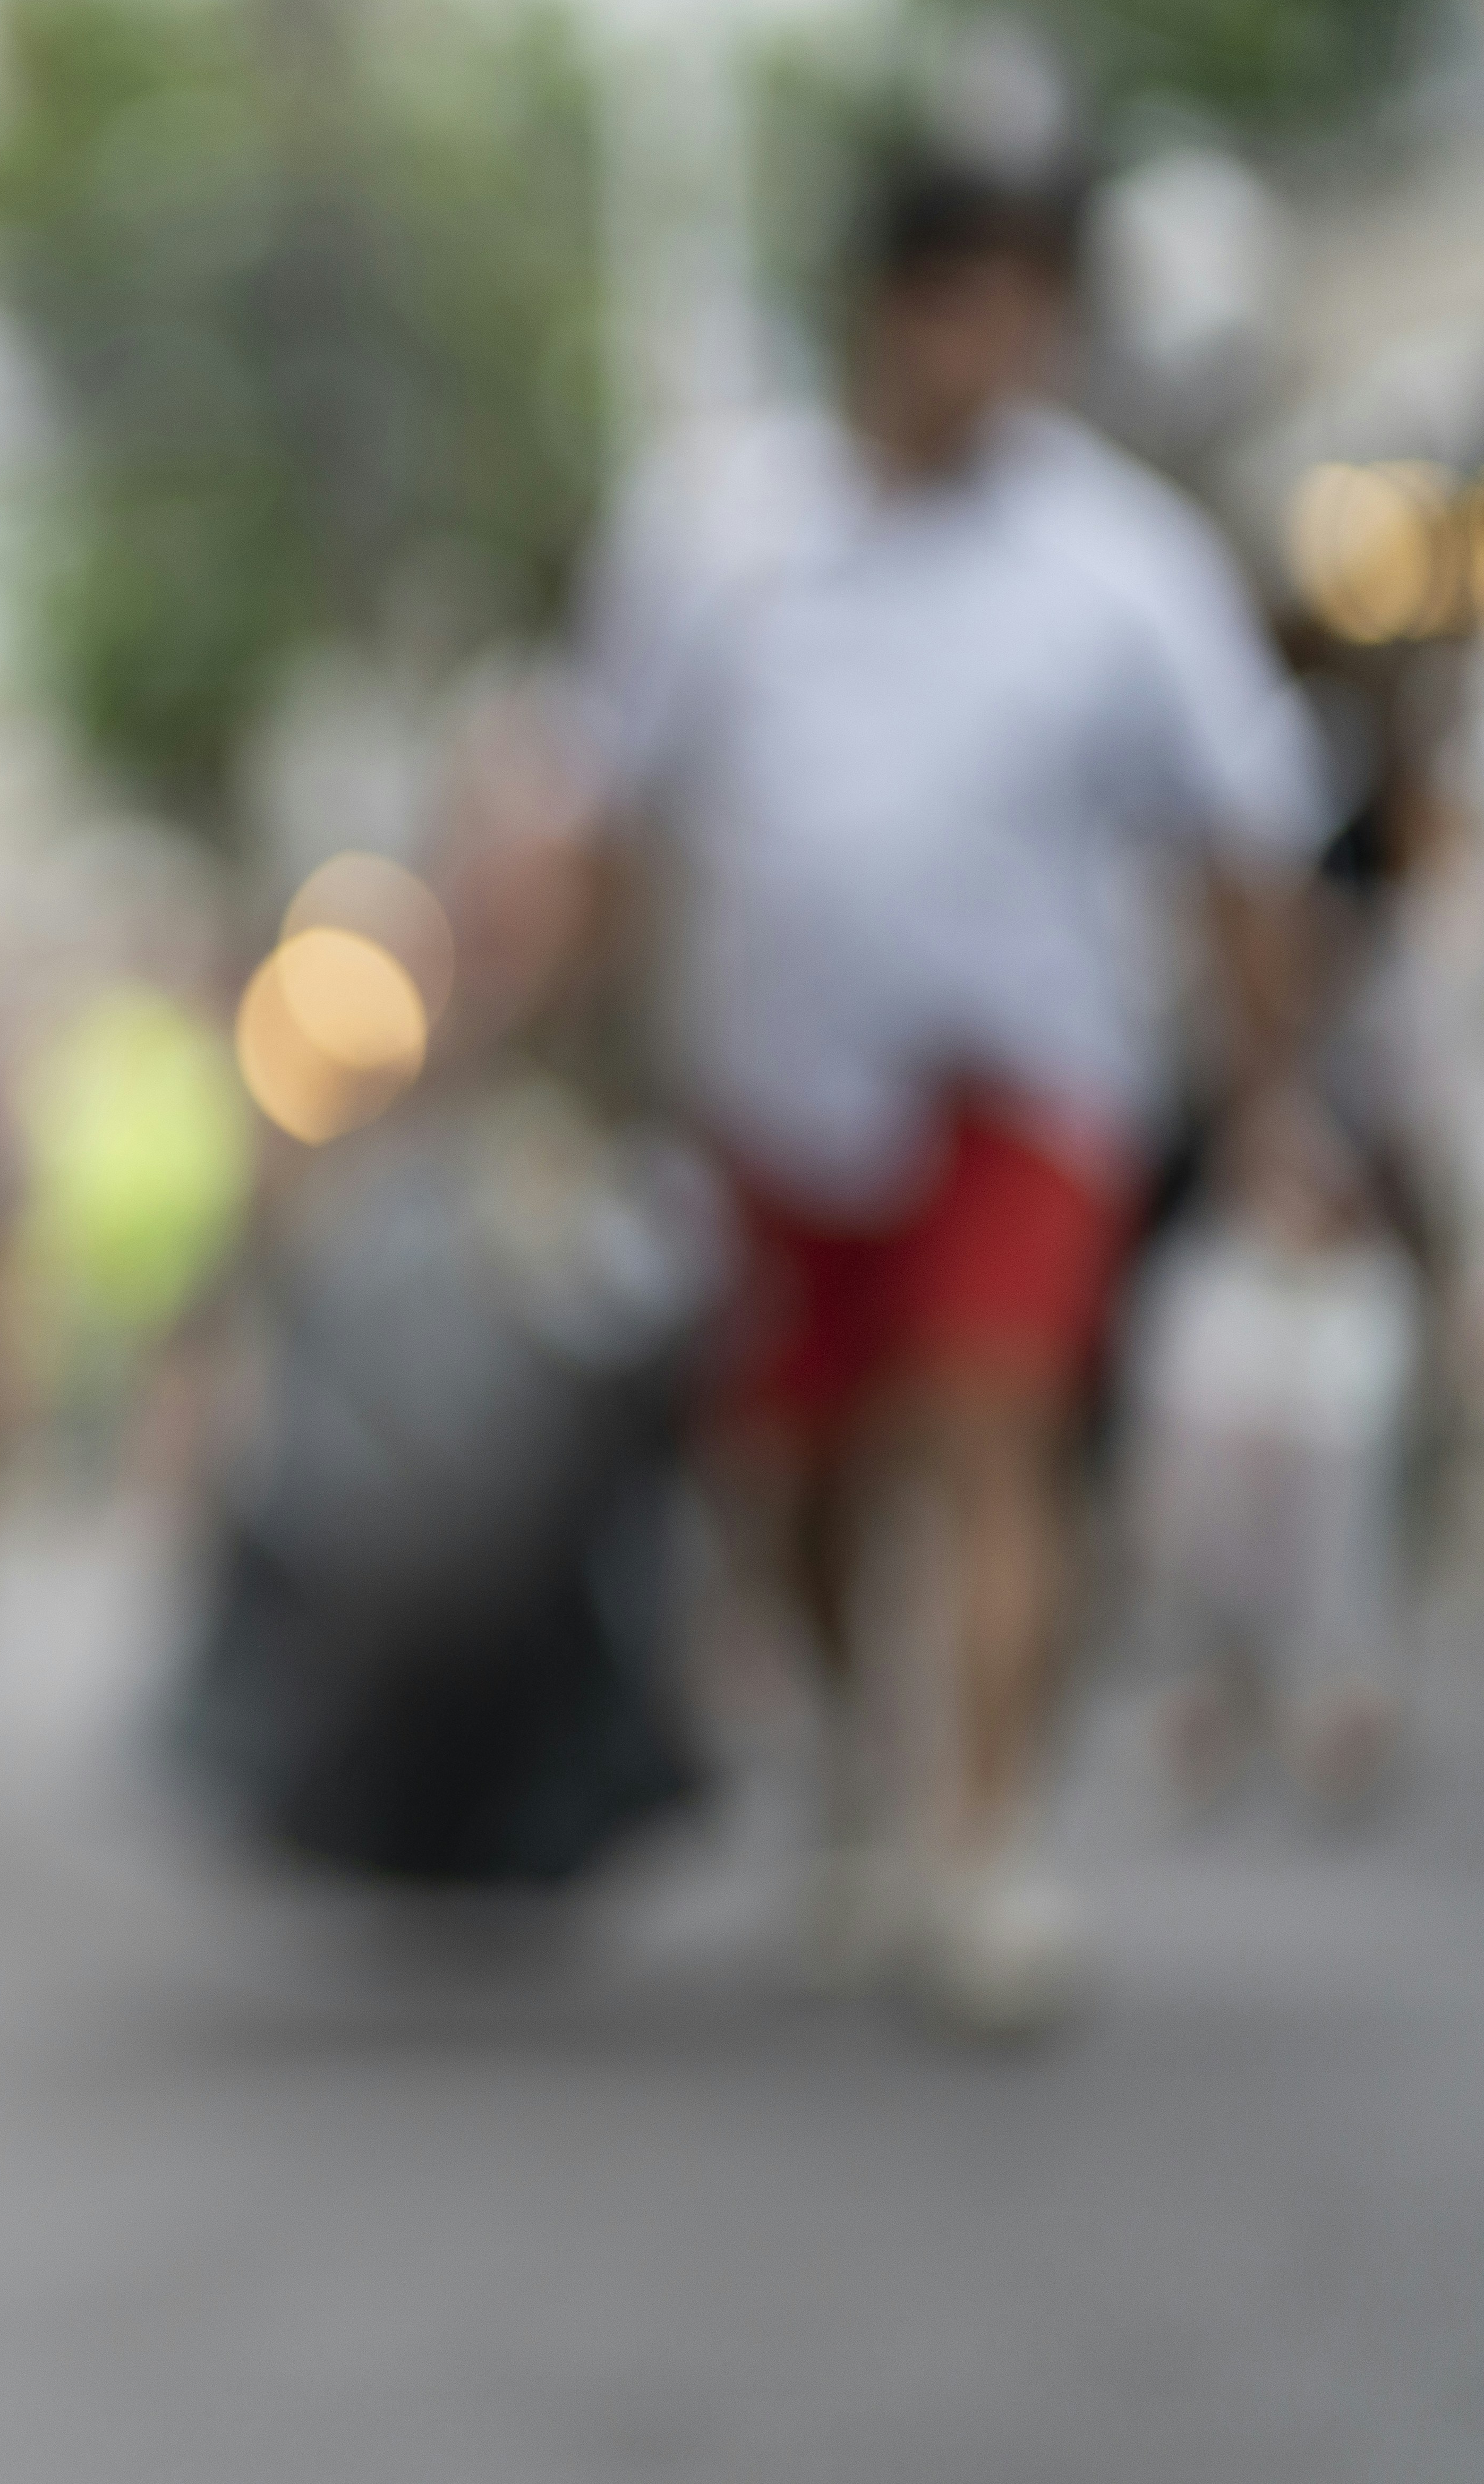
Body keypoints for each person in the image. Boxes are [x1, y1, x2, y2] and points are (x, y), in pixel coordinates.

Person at [570, 147, 1326, 2034]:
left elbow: (1245, 844)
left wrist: (1274, 1098)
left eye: (1031, 301)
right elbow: (614, 813)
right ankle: (851, 1766)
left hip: (1028, 1086)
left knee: (993, 1437)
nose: (999, 344)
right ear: (885, 311)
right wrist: (568, 1064)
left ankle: (981, 1851)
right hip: (778, 1100)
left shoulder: (1122, 560)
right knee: (803, 1482)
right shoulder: (717, 530)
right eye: (964, 297)